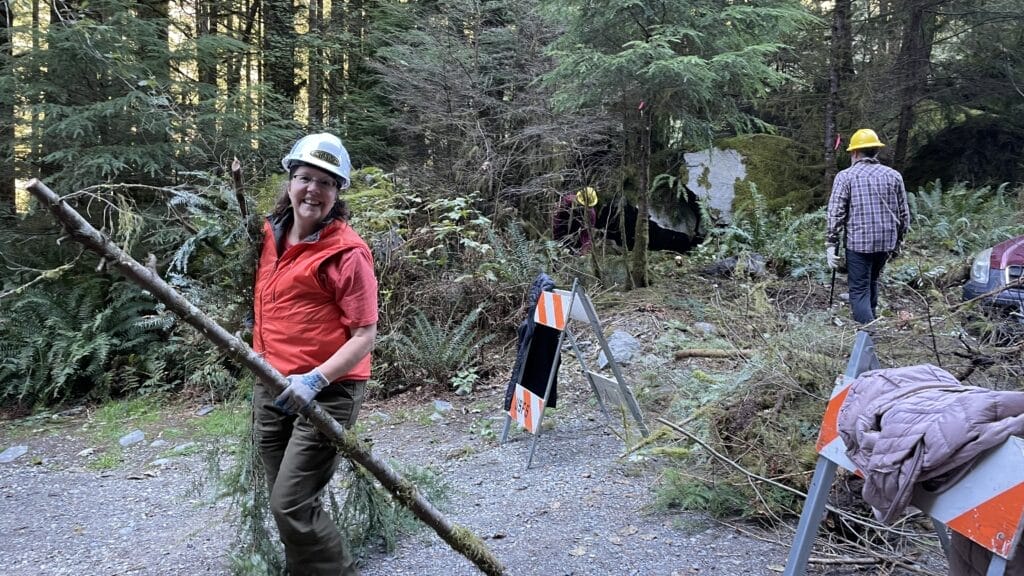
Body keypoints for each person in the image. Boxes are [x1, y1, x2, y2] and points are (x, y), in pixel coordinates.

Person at [252, 132, 378, 576]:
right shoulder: (268, 234)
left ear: (337, 193)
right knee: (285, 500)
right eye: (305, 177)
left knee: (290, 503)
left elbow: (365, 334)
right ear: (289, 181)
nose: (313, 190)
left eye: (326, 183)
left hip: (328, 389)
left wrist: (315, 380)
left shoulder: (347, 253)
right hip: (271, 383)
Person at [826, 128, 911, 324]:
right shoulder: (893, 176)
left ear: (855, 153)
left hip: (859, 243)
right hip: (886, 243)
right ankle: (870, 324)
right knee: (872, 281)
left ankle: (868, 333)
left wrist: (831, 243)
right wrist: (898, 242)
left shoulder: (846, 176)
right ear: (876, 151)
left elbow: (835, 213)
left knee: (858, 288)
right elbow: (904, 214)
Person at [552, 186, 598, 254]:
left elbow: (587, 233)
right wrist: (556, 237)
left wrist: (584, 249)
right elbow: (557, 219)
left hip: (577, 234)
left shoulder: (591, 214)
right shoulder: (567, 201)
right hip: (563, 226)